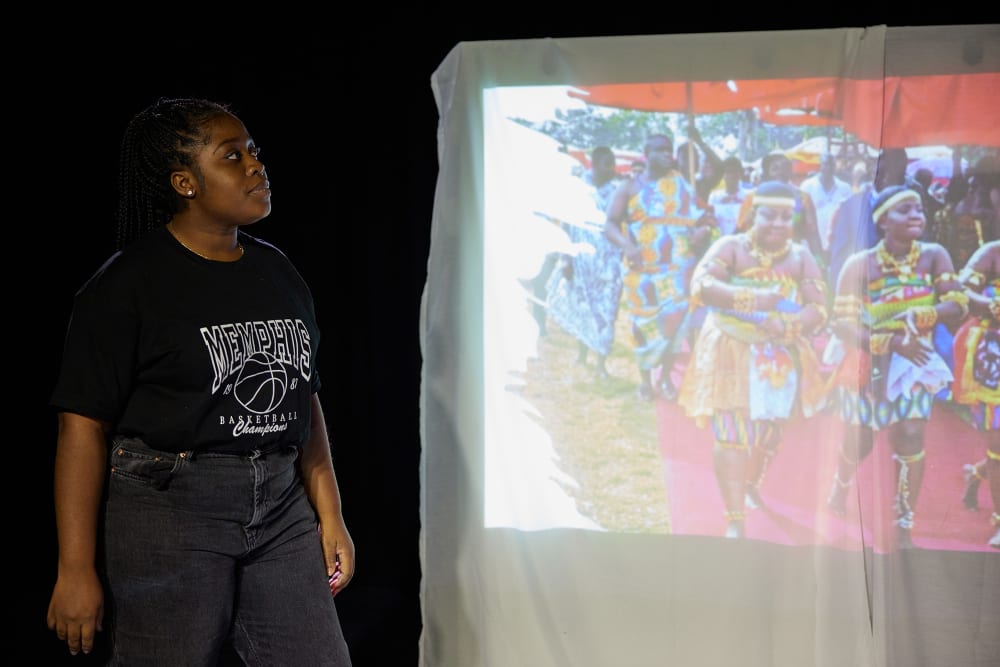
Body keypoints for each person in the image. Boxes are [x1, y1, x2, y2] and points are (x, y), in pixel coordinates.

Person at [46, 97, 354, 664]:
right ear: (185, 182)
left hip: (281, 504)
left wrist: (330, 514)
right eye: (231, 157)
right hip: (170, 507)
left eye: (254, 151)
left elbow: (303, 400)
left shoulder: (279, 272)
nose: (256, 166)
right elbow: (82, 426)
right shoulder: (128, 285)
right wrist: (75, 568)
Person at [677, 181, 830, 538]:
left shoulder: (802, 256)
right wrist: (754, 301)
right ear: (751, 215)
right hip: (731, 348)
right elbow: (701, 286)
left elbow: (818, 309)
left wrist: (788, 324)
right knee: (732, 432)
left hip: (778, 353)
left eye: (785, 217)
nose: (778, 224)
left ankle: (750, 484)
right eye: (769, 215)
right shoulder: (730, 246)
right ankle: (735, 519)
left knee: (767, 435)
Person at [825, 186, 969, 550]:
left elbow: (958, 305)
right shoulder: (860, 264)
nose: (917, 215)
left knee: (909, 435)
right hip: (868, 359)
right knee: (860, 442)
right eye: (905, 210)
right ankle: (840, 486)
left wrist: (926, 314)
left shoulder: (935, 256)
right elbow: (841, 324)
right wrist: (889, 341)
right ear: (883, 220)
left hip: (913, 362)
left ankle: (903, 524)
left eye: (919, 209)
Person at [604, 132, 718, 401]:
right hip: (643, 272)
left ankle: (665, 378)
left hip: (678, 271)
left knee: (675, 327)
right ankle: (645, 381)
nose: (668, 155)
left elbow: (704, 220)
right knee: (644, 328)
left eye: (670, 150)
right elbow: (609, 224)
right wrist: (627, 246)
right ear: (647, 153)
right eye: (661, 150)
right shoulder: (629, 187)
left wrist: (700, 232)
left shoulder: (682, 185)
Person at [545, 145, 624, 378]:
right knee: (582, 307)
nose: (612, 167)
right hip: (581, 260)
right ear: (594, 163)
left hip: (609, 262)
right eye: (607, 163)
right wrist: (566, 258)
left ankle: (601, 363)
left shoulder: (617, 191)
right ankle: (582, 354)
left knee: (607, 312)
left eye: (613, 163)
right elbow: (569, 224)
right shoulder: (578, 189)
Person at [951, 240, 1000, 548]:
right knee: (998, 444)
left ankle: (976, 473)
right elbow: (960, 292)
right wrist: (991, 305)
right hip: (993, 360)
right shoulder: (992, 253)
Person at [799, 153, 853, 265]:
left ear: (835, 167)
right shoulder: (807, 186)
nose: (828, 167)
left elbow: (850, 216)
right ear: (820, 166)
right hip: (813, 242)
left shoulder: (845, 188)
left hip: (837, 242)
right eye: (825, 164)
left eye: (831, 165)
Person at [707, 156, 752, 237]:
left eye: (735, 172)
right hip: (719, 240)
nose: (732, 176)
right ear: (723, 175)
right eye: (728, 172)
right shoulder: (714, 197)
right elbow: (710, 219)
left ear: (740, 174)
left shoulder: (749, 195)